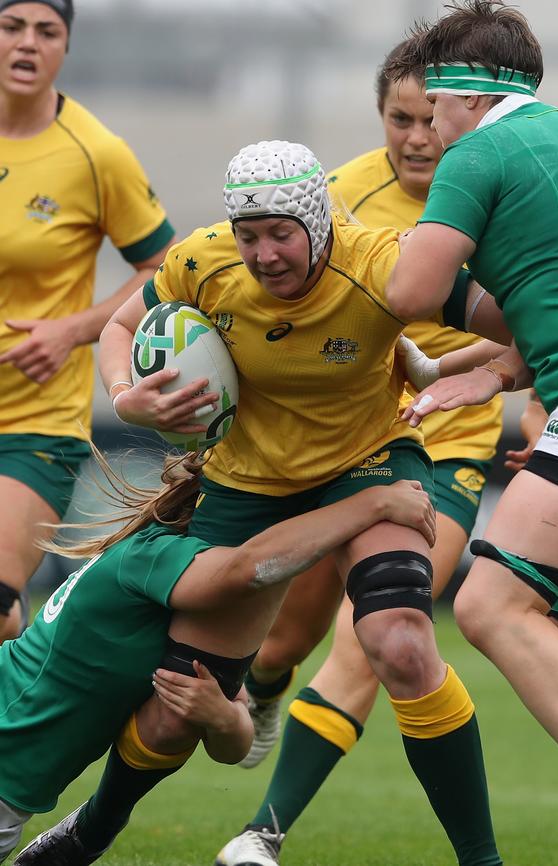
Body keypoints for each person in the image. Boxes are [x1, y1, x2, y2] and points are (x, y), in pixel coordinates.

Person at [62, 138, 512, 866]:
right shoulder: (202, 261)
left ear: (319, 223)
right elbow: (120, 327)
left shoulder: (379, 263)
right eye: (250, 237)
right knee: (180, 704)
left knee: (398, 640)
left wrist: (505, 372)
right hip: (244, 481)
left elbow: (517, 316)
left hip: (368, 465)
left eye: (280, 234)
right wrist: (127, 395)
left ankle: (481, 862)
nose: (264, 254)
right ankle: (88, 832)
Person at [216, 43, 504, 866]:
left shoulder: (494, 192)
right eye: (399, 119)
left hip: (444, 454)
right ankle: (266, 688)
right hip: (337, 451)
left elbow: (539, 311)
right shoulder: (331, 196)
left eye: (430, 120)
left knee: (384, 636)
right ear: (380, 117)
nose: (418, 138)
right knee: (282, 642)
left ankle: (260, 836)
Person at [382, 3, 558, 863]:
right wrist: (489, 370)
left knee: (489, 604)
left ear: (465, 94)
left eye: (432, 105)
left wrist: (339, 256)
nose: (428, 126)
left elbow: (407, 293)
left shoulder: (483, 150)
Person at [2, 443, 434, 866]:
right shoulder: (153, 558)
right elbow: (250, 566)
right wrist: (373, 504)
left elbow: (236, 746)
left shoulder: (174, 586)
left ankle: (87, 833)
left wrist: (222, 717)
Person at [0, 0, 175, 642]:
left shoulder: (96, 153)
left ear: (65, 47)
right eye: (11, 26)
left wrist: (72, 329)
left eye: (46, 31)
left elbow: (166, 268)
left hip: (33, 422)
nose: (27, 43)